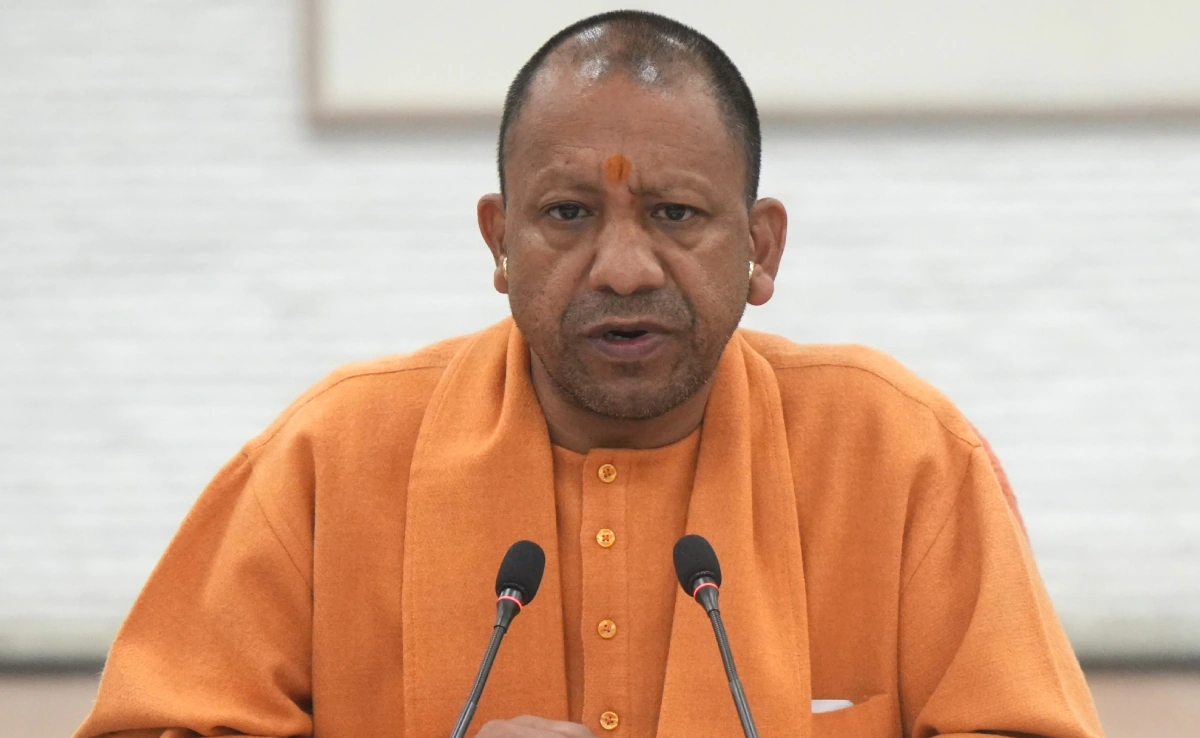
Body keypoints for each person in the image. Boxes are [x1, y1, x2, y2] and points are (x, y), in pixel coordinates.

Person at [75, 10, 1103, 738]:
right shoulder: (333, 458)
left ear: (760, 251)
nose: (622, 268)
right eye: (568, 214)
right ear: (500, 243)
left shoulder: (896, 455)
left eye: (675, 214)